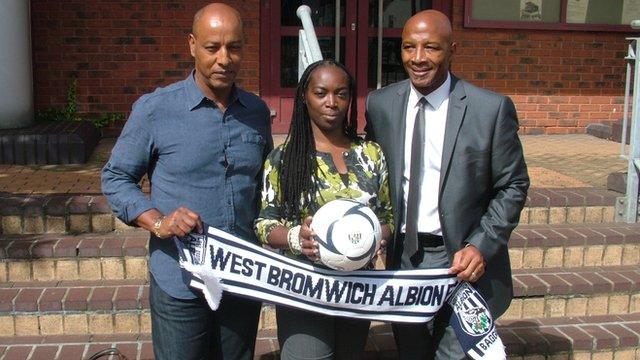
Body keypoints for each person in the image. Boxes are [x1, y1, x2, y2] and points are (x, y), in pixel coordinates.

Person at [101, 3, 273, 359]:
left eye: (234, 47)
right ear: (192, 45)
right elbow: (117, 178)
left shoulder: (257, 113)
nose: (224, 58)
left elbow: (266, 185)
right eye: (212, 47)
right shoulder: (155, 110)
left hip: (242, 279)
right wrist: (159, 222)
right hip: (179, 281)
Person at [365, 10, 529, 360]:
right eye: (409, 47)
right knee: (411, 351)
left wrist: (481, 245)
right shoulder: (380, 105)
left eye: (431, 48)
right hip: (403, 260)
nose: (418, 58)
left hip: (461, 261)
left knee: (455, 354)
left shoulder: (490, 109)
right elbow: (371, 174)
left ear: (452, 49)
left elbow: (513, 185)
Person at [254, 59, 393, 360]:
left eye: (341, 94)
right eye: (321, 93)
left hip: (357, 288)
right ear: (305, 96)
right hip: (304, 287)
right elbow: (264, 224)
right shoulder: (283, 159)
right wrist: (295, 238)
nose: (332, 102)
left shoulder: (371, 153)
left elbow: (387, 215)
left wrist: (376, 235)